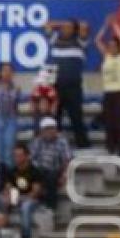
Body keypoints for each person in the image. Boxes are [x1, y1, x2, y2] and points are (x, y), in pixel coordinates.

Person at [46, 19, 90, 148]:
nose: (65, 29)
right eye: (63, 27)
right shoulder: (55, 40)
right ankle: (54, 145)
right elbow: (46, 25)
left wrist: (71, 25)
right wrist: (61, 25)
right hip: (56, 86)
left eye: (69, 27)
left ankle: (83, 145)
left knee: (76, 117)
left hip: (73, 87)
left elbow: (84, 25)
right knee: (55, 117)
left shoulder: (80, 42)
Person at [95, 15, 120, 158]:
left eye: (113, 45)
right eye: (109, 46)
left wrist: (115, 25)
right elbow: (97, 40)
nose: (110, 48)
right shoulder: (107, 57)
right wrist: (106, 26)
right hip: (108, 93)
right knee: (109, 123)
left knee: (119, 123)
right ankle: (110, 148)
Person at [29, 117, 72, 210]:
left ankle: (51, 207)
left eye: (52, 128)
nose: (50, 131)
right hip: (40, 170)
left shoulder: (62, 142)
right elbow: (31, 158)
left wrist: (64, 175)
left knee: (50, 177)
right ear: (42, 131)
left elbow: (67, 160)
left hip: (55, 170)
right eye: (47, 129)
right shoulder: (37, 141)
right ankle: (41, 205)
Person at [9, 143, 44, 238]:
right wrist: (13, 199)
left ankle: (26, 234)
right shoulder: (12, 171)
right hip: (18, 198)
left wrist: (22, 198)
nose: (17, 158)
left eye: (20, 155)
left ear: (27, 156)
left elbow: (36, 192)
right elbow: (9, 188)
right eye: (15, 156)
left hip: (33, 200)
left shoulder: (35, 171)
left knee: (26, 206)